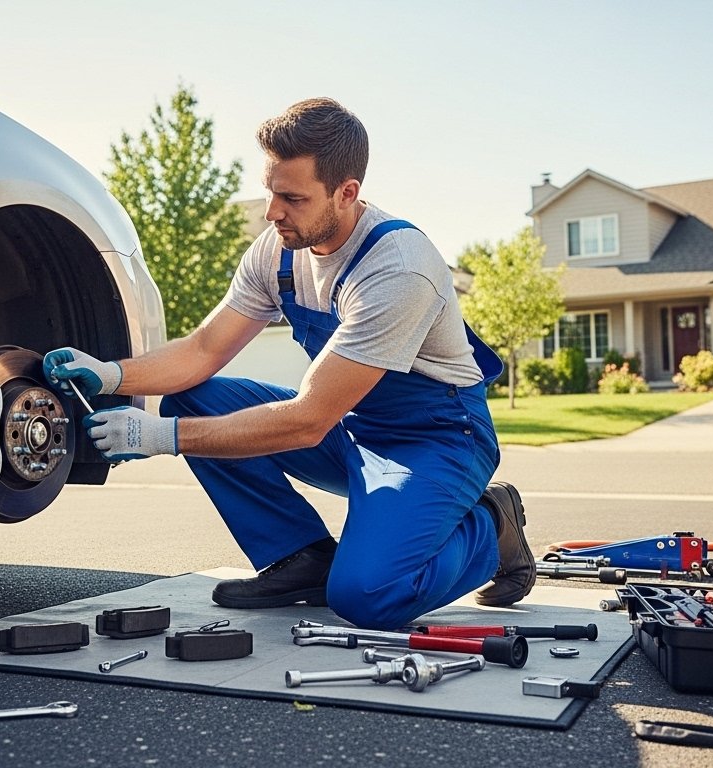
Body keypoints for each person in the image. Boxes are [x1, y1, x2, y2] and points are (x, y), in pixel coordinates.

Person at [43, 97, 535, 630]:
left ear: (347, 193)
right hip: (352, 428)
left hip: (435, 439)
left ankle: (493, 524)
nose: (272, 211)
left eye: (292, 198)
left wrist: (160, 436)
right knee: (194, 396)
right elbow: (205, 350)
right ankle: (303, 556)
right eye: (271, 191)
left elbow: (307, 419)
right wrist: (111, 373)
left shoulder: (397, 266)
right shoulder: (276, 250)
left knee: (369, 596)